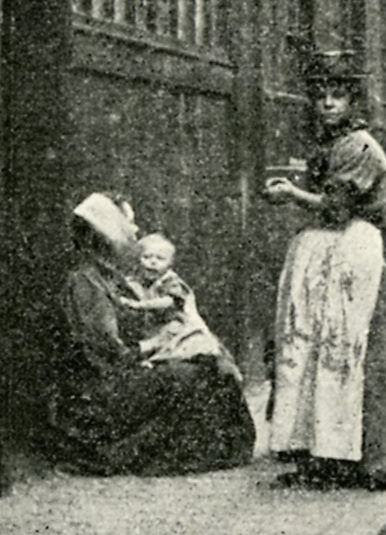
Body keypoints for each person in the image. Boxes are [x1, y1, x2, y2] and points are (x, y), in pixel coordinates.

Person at [262, 50, 386, 491]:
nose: (327, 104)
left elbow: (337, 206)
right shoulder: (332, 143)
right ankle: (322, 455)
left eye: (338, 96)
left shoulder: (360, 146)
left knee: (353, 351)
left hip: (354, 254)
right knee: (315, 353)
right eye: (321, 96)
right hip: (327, 255)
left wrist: (292, 193)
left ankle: (371, 460)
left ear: (353, 102)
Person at [47, 192, 255, 476]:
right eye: (127, 222)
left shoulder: (114, 275)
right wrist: (155, 344)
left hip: (120, 372)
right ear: (106, 230)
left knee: (211, 365)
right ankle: (113, 454)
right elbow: (103, 351)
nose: (134, 231)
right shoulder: (86, 281)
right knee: (186, 376)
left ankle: (217, 450)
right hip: (96, 391)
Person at [119, 233, 242, 381]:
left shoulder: (171, 281)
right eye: (146, 257)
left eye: (160, 259)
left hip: (176, 323)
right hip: (153, 325)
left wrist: (140, 305)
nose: (152, 262)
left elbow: (168, 302)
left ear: (170, 263)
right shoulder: (135, 280)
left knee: (175, 340)